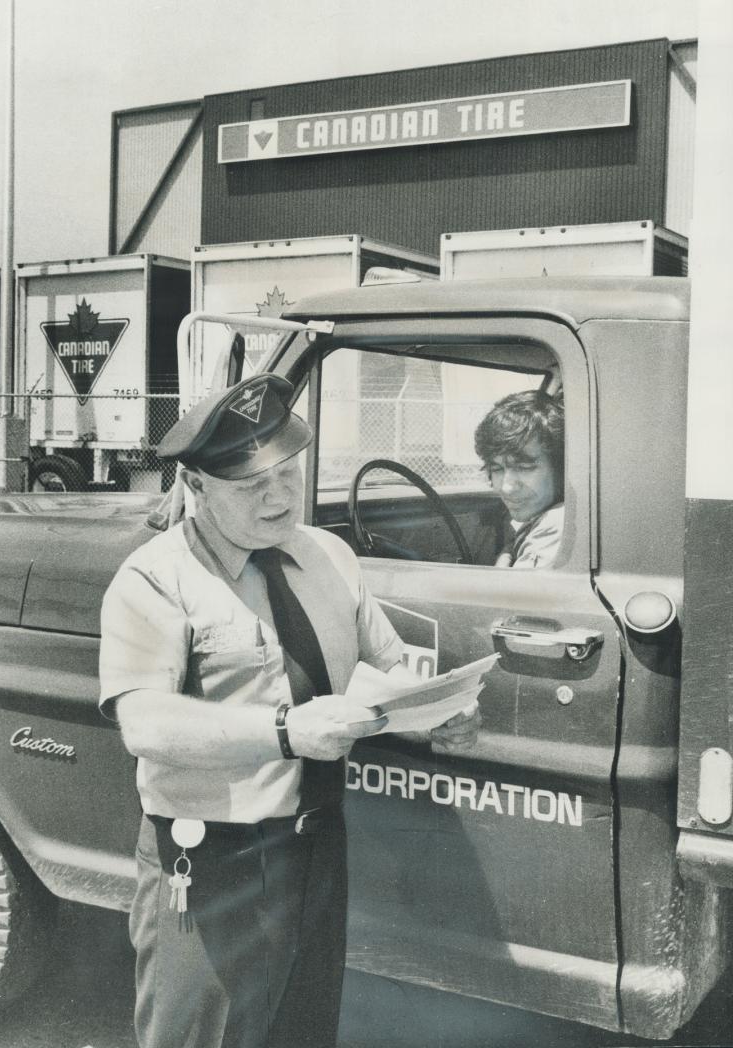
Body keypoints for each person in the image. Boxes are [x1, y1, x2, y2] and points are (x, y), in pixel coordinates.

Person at [99, 372, 482, 1048]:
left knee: (303, 1033)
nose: (279, 497)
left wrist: (436, 715)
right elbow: (146, 723)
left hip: (314, 849)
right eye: (252, 486)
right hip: (213, 861)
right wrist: (284, 731)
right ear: (197, 487)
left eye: (289, 474)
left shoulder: (328, 555)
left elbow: (390, 667)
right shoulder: (156, 577)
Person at [474, 389, 565, 569]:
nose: (507, 487)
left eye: (524, 468)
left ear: (561, 467)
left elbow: (506, 595)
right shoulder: (540, 516)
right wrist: (508, 552)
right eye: (497, 468)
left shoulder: (556, 525)